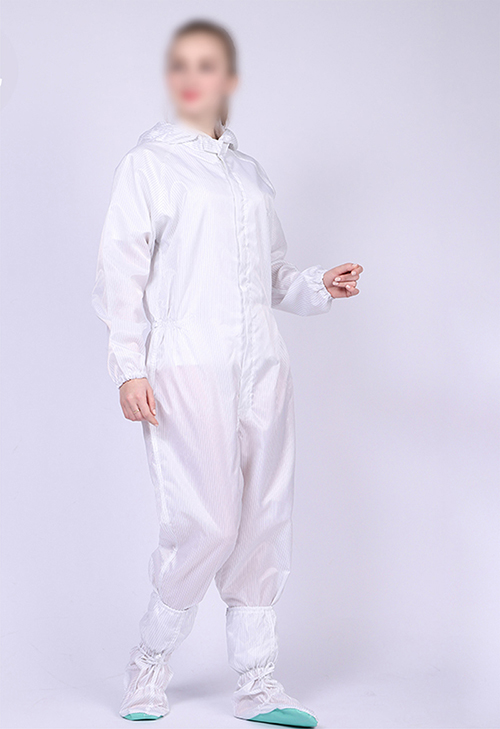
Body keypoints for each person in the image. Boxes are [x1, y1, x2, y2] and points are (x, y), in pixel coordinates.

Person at [93, 19, 363, 727]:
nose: (192, 77)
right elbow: (121, 272)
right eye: (181, 64)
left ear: (229, 80)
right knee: (207, 521)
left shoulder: (249, 175)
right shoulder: (149, 165)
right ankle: (150, 661)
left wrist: (317, 284)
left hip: (263, 364)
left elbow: (270, 275)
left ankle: (258, 683)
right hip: (187, 363)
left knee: (264, 519)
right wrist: (128, 367)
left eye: (207, 65)